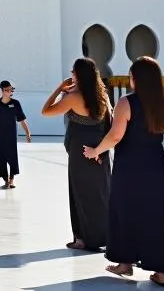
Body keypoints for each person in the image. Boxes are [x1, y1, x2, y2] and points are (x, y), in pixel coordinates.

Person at [84, 55, 164, 286]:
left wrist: (96, 150)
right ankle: (160, 270)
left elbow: (116, 135)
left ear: (135, 78)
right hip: (155, 162)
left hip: (130, 163)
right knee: (156, 213)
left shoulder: (126, 103)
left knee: (125, 210)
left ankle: (125, 263)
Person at [41, 58, 112, 251]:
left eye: (73, 72)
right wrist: (102, 151)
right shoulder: (102, 96)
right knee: (100, 193)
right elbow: (108, 123)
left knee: (79, 193)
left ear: (78, 75)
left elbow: (45, 111)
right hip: (99, 149)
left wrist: (59, 89)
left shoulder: (73, 98)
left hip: (80, 149)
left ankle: (82, 239)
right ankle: (104, 236)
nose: (71, 75)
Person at [0, 81, 30, 188]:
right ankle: (6, 179)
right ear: (2, 90)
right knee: (0, 158)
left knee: (12, 157)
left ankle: (12, 180)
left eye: (11, 89)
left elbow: (22, 120)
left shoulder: (16, 103)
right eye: (7, 90)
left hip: (11, 136)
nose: (10, 91)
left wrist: (28, 133)